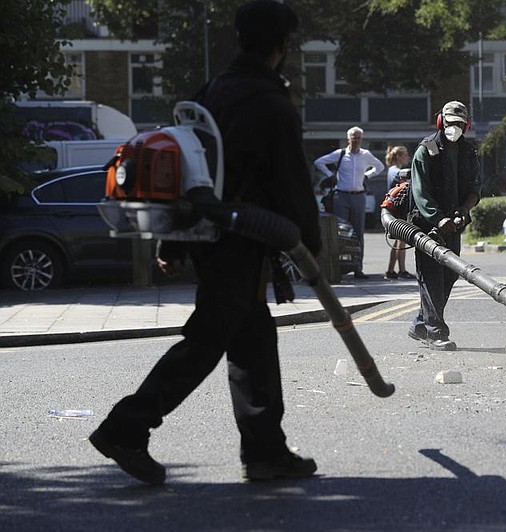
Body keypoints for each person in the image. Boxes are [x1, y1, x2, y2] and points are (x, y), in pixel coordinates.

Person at [89, 0, 322, 485]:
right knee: (206, 341)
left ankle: (265, 451)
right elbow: (292, 184)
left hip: (209, 235)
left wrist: (175, 242)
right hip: (241, 239)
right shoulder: (272, 104)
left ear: (241, 39)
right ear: (283, 46)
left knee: (253, 340)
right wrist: (310, 246)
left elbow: (191, 168)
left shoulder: (212, 91)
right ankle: (126, 427)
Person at [408, 101, 481, 351]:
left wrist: (463, 211)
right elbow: (420, 192)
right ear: (441, 122)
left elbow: (474, 188)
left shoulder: (468, 152)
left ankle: (420, 323)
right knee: (431, 279)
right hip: (427, 227)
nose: (455, 128)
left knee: (449, 276)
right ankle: (435, 332)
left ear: (466, 126)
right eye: (451, 123)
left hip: (454, 227)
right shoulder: (425, 150)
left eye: (460, 124)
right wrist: (438, 218)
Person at [314, 127, 384, 279]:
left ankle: (358, 268)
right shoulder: (340, 154)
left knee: (358, 233)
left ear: (362, 139)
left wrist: (367, 175)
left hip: (359, 197)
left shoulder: (365, 155)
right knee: (341, 232)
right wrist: (330, 174)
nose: (356, 140)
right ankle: (338, 267)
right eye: (353, 137)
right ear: (348, 139)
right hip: (342, 196)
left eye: (358, 137)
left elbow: (380, 166)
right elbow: (319, 162)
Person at [383, 145, 414, 280]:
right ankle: (402, 270)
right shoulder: (398, 172)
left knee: (397, 241)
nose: (408, 157)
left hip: (393, 208)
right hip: (399, 208)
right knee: (402, 240)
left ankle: (390, 270)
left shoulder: (391, 170)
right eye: (406, 154)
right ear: (399, 157)